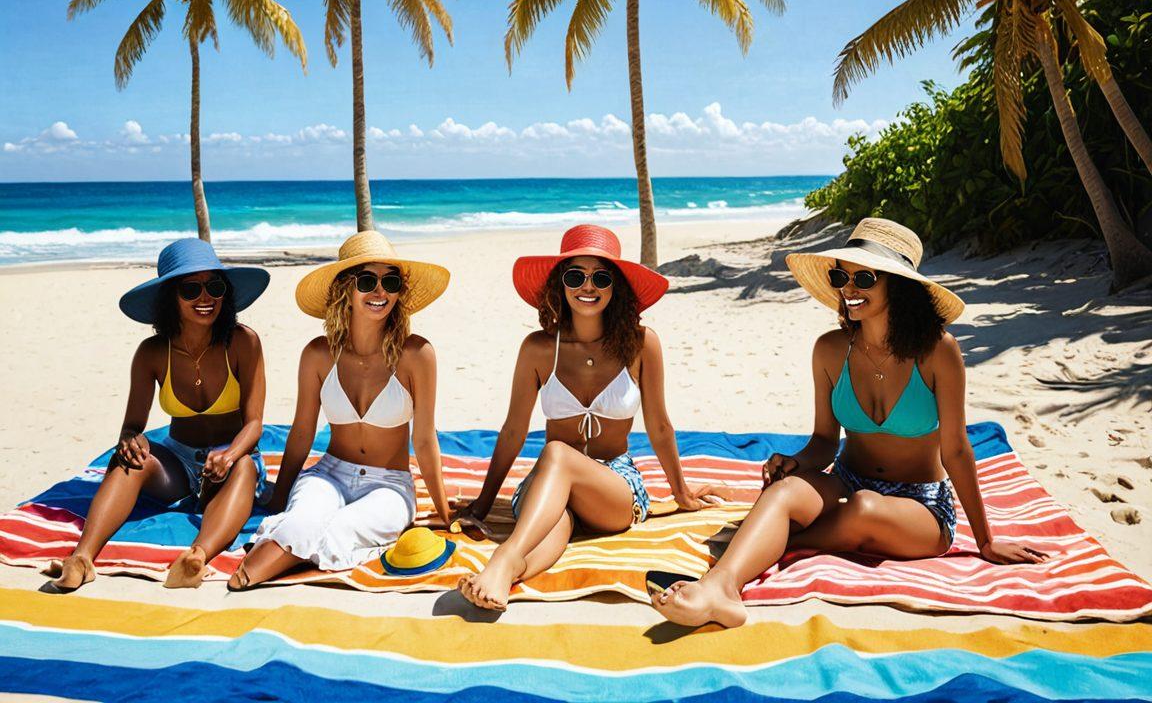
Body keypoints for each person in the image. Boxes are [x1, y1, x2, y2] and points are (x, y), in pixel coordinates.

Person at [649, 218, 1047, 628]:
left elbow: (957, 450)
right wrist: (796, 462)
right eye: (841, 277)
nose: (849, 289)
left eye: (864, 278)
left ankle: (763, 542)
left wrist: (986, 540)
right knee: (785, 492)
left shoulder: (937, 351)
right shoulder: (830, 349)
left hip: (922, 505)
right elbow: (824, 441)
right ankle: (720, 586)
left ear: (898, 284)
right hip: (846, 480)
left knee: (864, 507)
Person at [454, 224, 721, 611]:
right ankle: (507, 575)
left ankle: (502, 556)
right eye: (575, 276)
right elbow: (513, 430)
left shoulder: (641, 343)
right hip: (549, 485)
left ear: (616, 287)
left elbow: (660, 426)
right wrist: (482, 504)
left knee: (557, 452)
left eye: (601, 277)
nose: (588, 286)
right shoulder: (538, 348)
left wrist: (681, 493)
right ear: (560, 284)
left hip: (612, 486)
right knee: (556, 523)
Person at [229, 231, 452, 589]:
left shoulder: (416, 355)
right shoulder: (318, 354)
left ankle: (250, 572)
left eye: (390, 282)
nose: (380, 292)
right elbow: (302, 432)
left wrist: (445, 513)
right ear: (345, 289)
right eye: (367, 281)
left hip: (389, 485)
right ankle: (256, 568)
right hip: (329, 474)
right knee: (302, 520)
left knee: (341, 529)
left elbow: (424, 440)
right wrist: (280, 496)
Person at [47, 238, 270, 592]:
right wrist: (130, 440)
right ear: (170, 297)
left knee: (244, 467)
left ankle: (196, 557)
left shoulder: (244, 341)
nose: (205, 298)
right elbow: (132, 427)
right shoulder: (151, 353)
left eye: (214, 287)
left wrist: (229, 455)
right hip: (177, 464)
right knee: (128, 460)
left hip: (231, 461)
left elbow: (255, 423)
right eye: (190, 289)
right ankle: (83, 558)